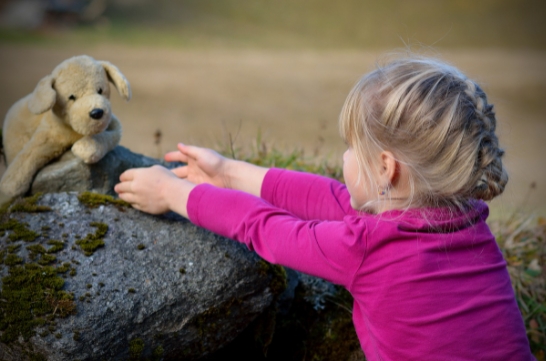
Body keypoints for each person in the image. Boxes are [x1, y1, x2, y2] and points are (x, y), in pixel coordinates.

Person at [114, 55, 534, 360]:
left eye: (352, 148)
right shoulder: (467, 222)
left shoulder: (368, 248)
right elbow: (333, 200)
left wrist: (174, 195)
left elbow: (267, 229)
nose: (345, 158)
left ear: (386, 168)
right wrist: (228, 172)